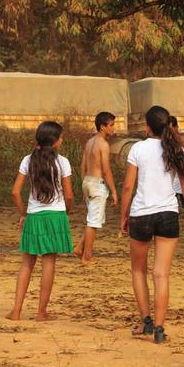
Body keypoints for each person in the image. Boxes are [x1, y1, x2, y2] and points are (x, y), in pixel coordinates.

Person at [120, 106, 184, 344]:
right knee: (161, 274)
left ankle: (146, 322)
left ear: (148, 126)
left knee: (138, 271)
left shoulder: (138, 149)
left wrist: (123, 217)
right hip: (168, 215)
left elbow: (127, 187)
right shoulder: (177, 150)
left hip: (141, 214)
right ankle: (160, 330)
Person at [7, 120, 74, 321]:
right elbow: (69, 195)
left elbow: (15, 192)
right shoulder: (62, 162)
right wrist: (66, 212)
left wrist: (23, 214)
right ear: (54, 141)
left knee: (27, 263)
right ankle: (41, 312)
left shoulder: (28, 160)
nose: (62, 140)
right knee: (48, 263)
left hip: (34, 216)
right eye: (60, 137)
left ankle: (16, 311)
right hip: (56, 215)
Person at [76, 111, 118, 264]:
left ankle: (80, 247)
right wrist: (114, 191)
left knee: (92, 219)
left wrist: (83, 185)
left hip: (87, 181)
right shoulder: (103, 145)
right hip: (97, 184)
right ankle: (87, 256)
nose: (114, 128)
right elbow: (106, 170)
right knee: (94, 222)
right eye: (111, 125)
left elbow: (82, 166)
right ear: (102, 127)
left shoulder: (89, 142)